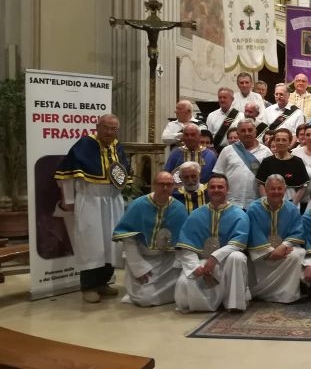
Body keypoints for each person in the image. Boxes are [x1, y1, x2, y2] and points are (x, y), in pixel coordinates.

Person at [54, 114, 130, 303]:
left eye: (114, 128)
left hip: (113, 201)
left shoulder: (117, 147)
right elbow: (66, 175)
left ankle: (103, 282)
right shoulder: (84, 145)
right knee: (91, 244)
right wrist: (69, 200)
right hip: (90, 201)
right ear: (98, 127)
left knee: (111, 244)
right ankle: (88, 286)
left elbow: (123, 175)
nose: (110, 132)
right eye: (106, 127)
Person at [174, 174, 250, 313]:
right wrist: (194, 266)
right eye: (212, 187)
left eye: (220, 187)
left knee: (237, 257)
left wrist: (215, 257)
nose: (216, 190)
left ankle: (234, 303)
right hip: (202, 261)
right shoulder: (196, 214)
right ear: (207, 190)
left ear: (227, 190)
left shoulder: (240, 214)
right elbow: (185, 245)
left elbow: (238, 244)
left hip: (226, 262)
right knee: (183, 285)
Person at [112, 171, 188, 306]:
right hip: (143, 259)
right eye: (161, 184)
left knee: (185, 286)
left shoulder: (179, 208)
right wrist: (139, 268)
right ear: (154, 185)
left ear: (173, 187)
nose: (165, 188)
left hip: (167, 261)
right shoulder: (138, 205)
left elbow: (182, 241)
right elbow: (129, 240)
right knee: (144, 299)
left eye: (169, 185)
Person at [246, 174, 306, 304]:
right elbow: (253, 233)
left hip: (282, 251)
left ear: (285, 190)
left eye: (279, 189)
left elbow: (297, 231)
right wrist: (269, 252)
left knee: (296, 255)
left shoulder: (292, 209)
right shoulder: (254, 209)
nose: (276, 192)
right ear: (266, 190)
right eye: (272, 189)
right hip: (261, 253)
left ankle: (286, 295)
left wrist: (283, 246)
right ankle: (260, 291)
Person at [212, 119, 272, 209]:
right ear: (238, 133)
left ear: (255, 132)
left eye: (250, 130)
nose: (247, 133)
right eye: (243, 131)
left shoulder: (266, 152)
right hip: (231, 202)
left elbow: (270, 179)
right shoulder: (227, 150)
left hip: (256, 203)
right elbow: (218, 175)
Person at [256, 128, 310, 208]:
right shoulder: (267, 161)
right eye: (278, 140)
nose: (280, 143)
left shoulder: (297, 162)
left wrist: (293, 204)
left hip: (291, 202)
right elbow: (261, 184)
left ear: (289, 142)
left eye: (284, 140)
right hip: (270, 203)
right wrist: (265, 201)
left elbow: (303, 186)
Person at [206, 87, 244, 151]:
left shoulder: (240, 116)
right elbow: (209, 136)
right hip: (216, 150)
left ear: (232, 99)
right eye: (220, 97)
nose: (222, 100)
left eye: (224, 97)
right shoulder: (211, 115)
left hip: (236, 149)